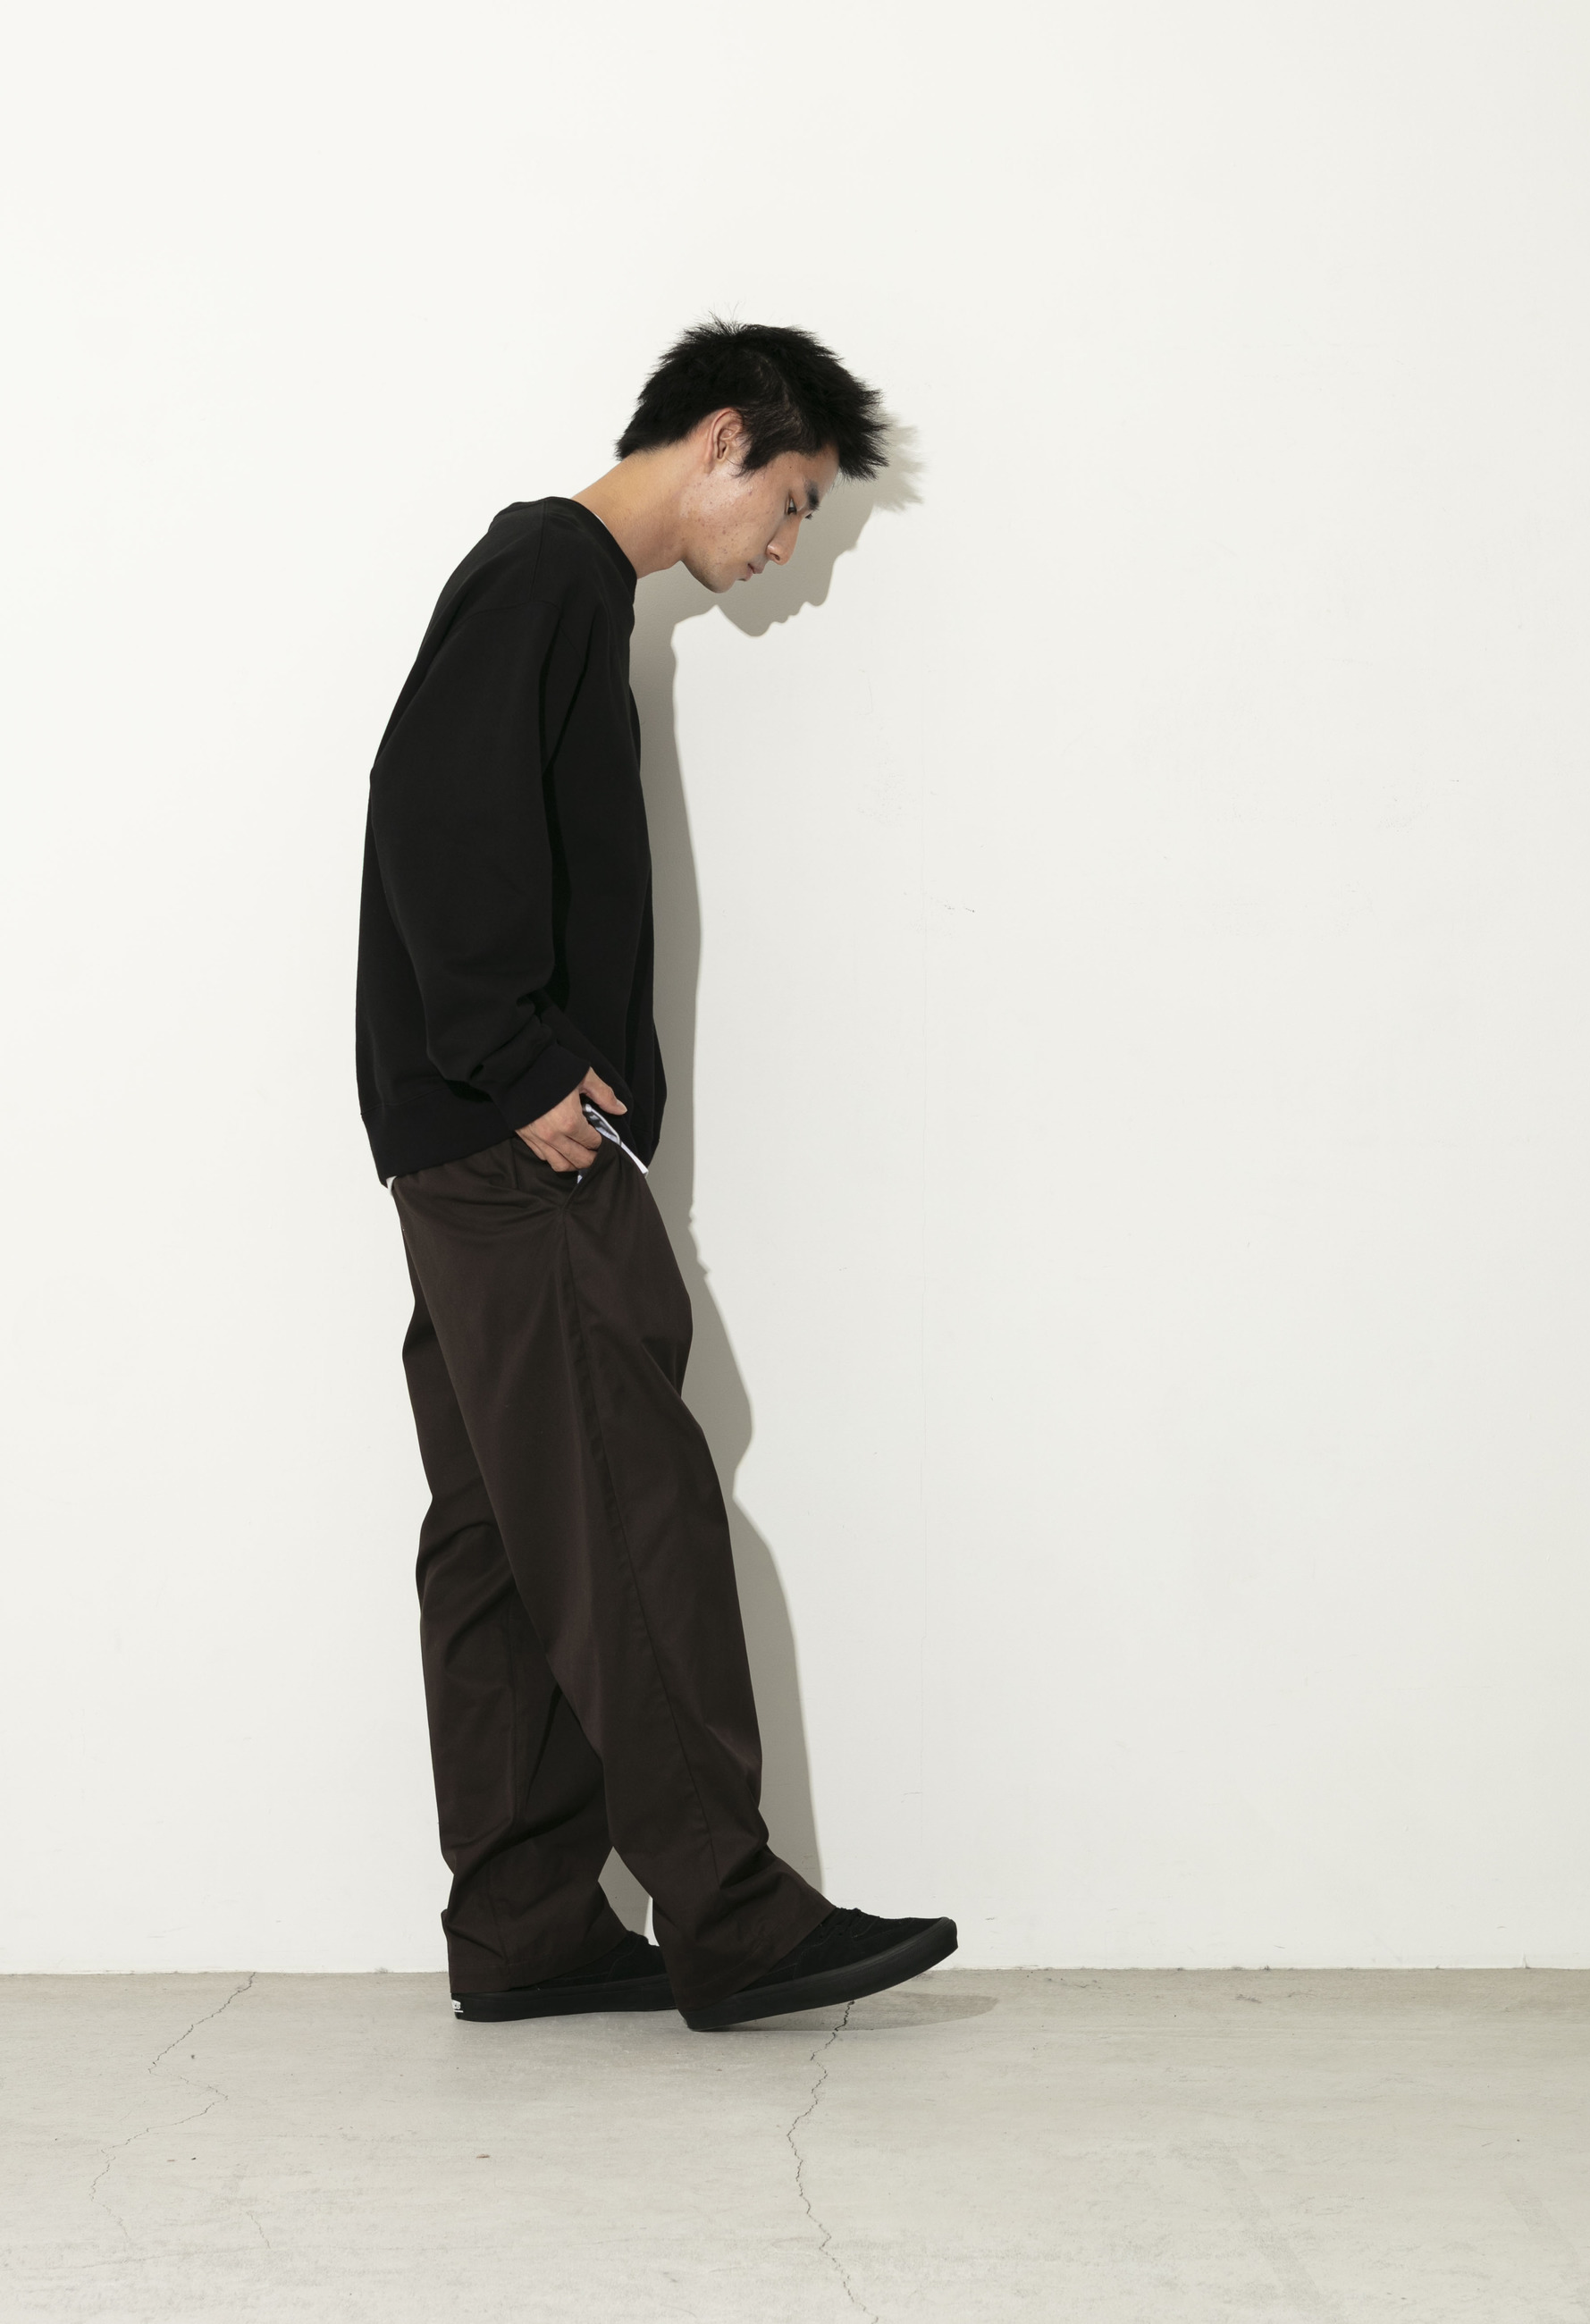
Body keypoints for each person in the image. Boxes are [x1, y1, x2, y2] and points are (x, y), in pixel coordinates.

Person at [356, 319, 955, 2032]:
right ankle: (734, 1916)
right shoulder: (546, 569)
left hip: (461, 1135)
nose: (788, 548)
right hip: (511, 1138)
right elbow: (426, 807)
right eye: (794, 500)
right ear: (721, 438)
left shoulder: (557, 586)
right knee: (632, 1501)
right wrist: (520, 1058)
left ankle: (528, 1924)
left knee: (501, 1531)